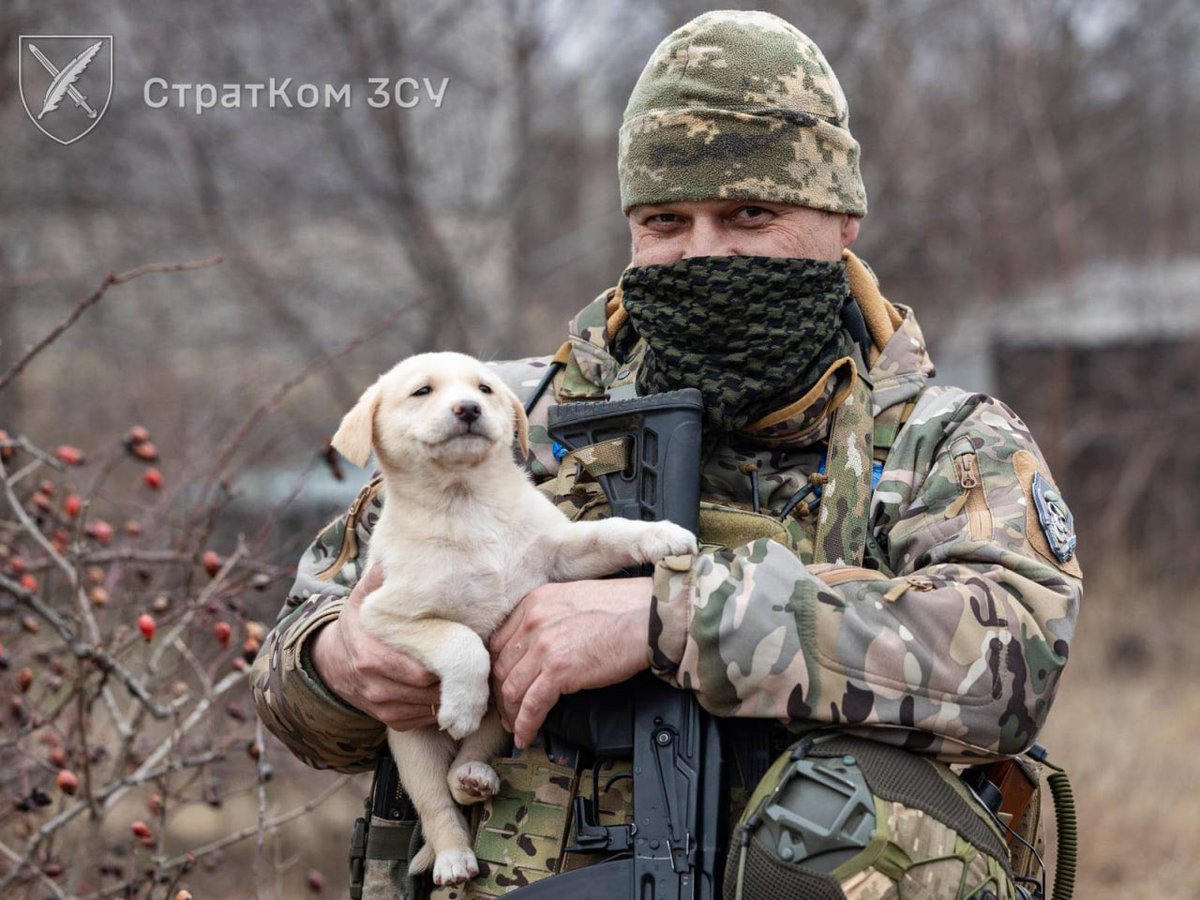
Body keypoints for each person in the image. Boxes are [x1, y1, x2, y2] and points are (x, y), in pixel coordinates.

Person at [253, 10, 1081, 899]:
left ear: (841, 219)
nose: (702, 254)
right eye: (664, 220)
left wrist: (674, 618)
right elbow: (292, 682)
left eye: (749, 214)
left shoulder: (942, 441)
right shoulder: (497, 417)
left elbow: (1012, 662)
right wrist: (340, 665)